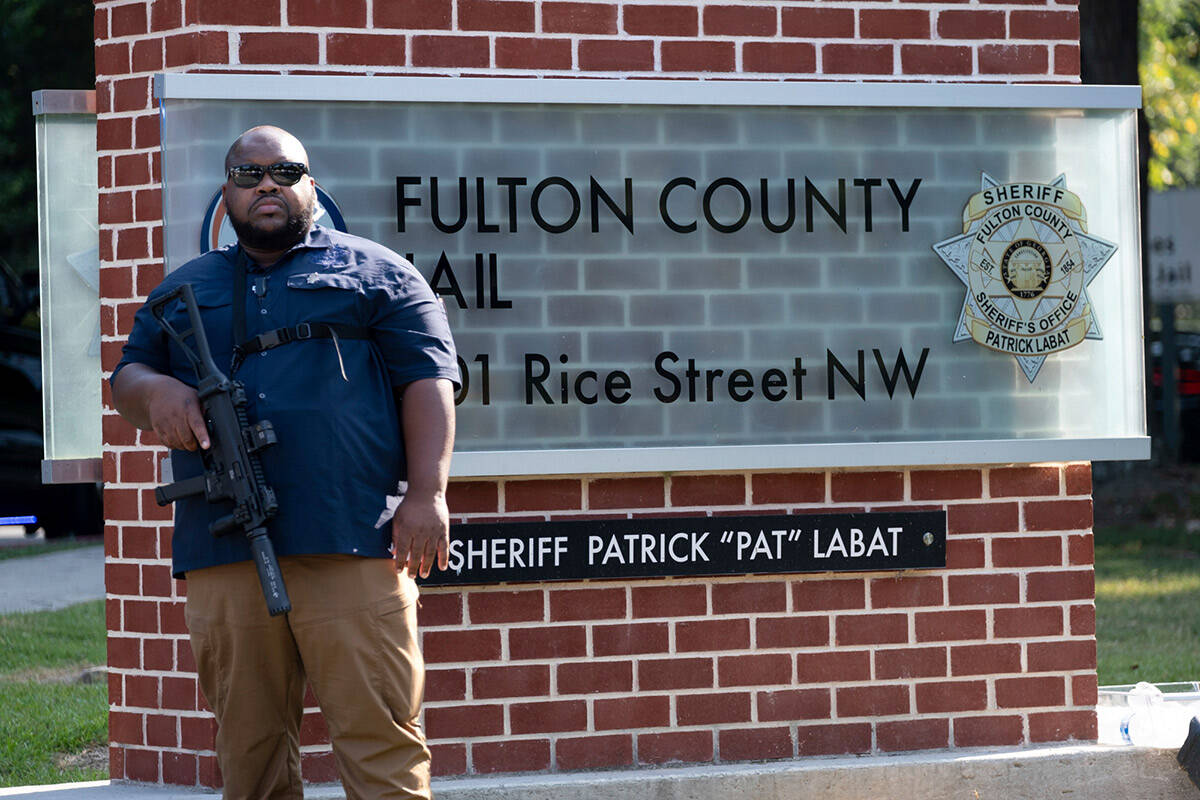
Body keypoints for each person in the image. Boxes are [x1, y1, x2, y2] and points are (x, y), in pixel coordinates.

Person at [111, 126, 459, 800]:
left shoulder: (380, 273)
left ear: (310, 184)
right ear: (227, 191)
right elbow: (130, 377)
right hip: (225, 546)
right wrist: (159, 393)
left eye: (283, 171)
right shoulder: (184, 288)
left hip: (352, 538)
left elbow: (430, 381)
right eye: (248, 175)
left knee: (382, 741)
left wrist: (428, 495)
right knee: (249, 754)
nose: (265, 185)